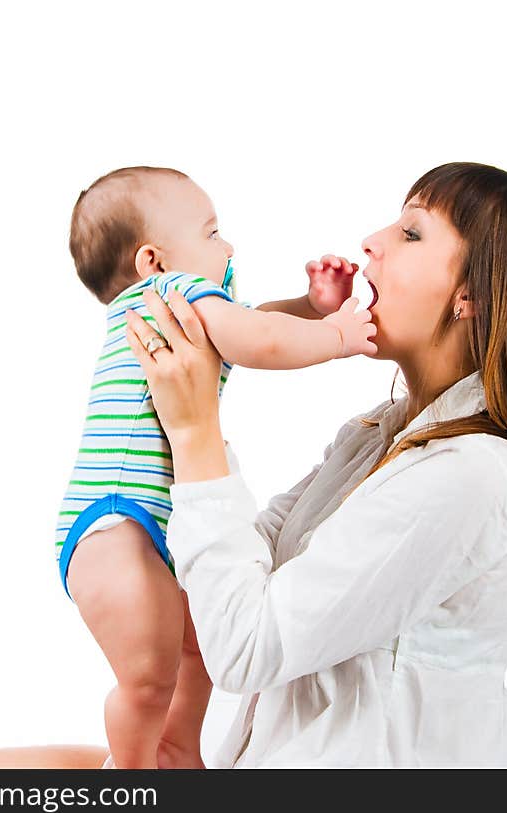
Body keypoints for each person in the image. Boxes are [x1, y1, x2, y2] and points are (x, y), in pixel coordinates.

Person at [0, 161, 507, 769]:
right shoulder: (373, 438)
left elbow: (247, 648)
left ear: (470, 295)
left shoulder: (468, 475)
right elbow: (244, 565)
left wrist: (195, 430)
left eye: (411, 233)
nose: (373, 242)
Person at [54, 166, 377, 769]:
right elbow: (259, 340)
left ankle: (177, 752)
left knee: (197, 651)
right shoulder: (174, 292)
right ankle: (130, 777)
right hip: (116, 521)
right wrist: (336, 333)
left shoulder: (175, 302)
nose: (227, 248)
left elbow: (254, 324)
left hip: (139, 525)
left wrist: (308, 305)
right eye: (211, 232)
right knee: (148, 679)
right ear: (153, 259)